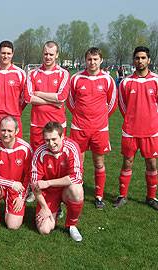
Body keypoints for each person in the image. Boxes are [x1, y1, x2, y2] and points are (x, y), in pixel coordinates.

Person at [67, 47, 117, 209]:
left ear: (101, 60)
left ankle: (99, 196)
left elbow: (112, 104)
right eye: (89, 59)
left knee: (99, 162)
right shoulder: (76, 78)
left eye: (95, 59)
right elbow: (71, 102)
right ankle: (77, 191)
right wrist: (82, 117)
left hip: (99, 129)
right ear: (85, 60)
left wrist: (99, 119)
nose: (92, 62)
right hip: (79, 128)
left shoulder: (108, 79)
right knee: (77, 163)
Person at [114, 46, 158, 210]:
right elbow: (123, 106)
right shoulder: (126, 82)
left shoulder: (156, 80)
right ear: (133, 60)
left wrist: (150, 119)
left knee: (152, 164)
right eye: (137, 58)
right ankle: (122, 196)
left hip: (151, 131)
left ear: (149, 60)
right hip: (130, 131)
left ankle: (151, 197)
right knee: (127, 163)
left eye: (143, 58)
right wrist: (133, 119)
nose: (140, 61)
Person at [31, 122, 84, 242]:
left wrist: (48, 182)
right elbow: (34, 184)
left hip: (66, 189)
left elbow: (76, 177)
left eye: (54, 139)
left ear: (62, 136)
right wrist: (44, 207)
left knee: (77, 190)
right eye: (47, 140)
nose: (51, 143)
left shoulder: (72, 147)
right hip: (48, 193)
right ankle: (55, 209)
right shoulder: (40, 152)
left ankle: (71, 225)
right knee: (44, 230)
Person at [0, 116, 32, 235]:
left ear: (17, 131)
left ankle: (3, 207)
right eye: (3, 130)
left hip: (17, 190)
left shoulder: (25, 148)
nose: (6, 134)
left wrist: (22, 197)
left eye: (10, 131)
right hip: (0, 187)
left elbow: (28, 176)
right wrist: (11, 183)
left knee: (13, 226)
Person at [24, 41, 70, 151]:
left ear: (57, 55)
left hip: (58, 124)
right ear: (42, 54)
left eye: (51, 54)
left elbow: (61, 97)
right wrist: (53, 102)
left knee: (58, 158)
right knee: (37, 157)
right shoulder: (32, 73)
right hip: (37, 124)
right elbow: (28, 97)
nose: (48, 57)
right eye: (45, 54)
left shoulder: (63, 73)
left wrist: (39, 93)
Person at [0, 41, 26, 143]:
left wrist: (16, 110)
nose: (5, 56)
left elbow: (24, 97)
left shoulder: (20, 73)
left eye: (8, 53)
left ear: (12, 54)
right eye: (3, 53)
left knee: (14, 150)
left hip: (13, 117)